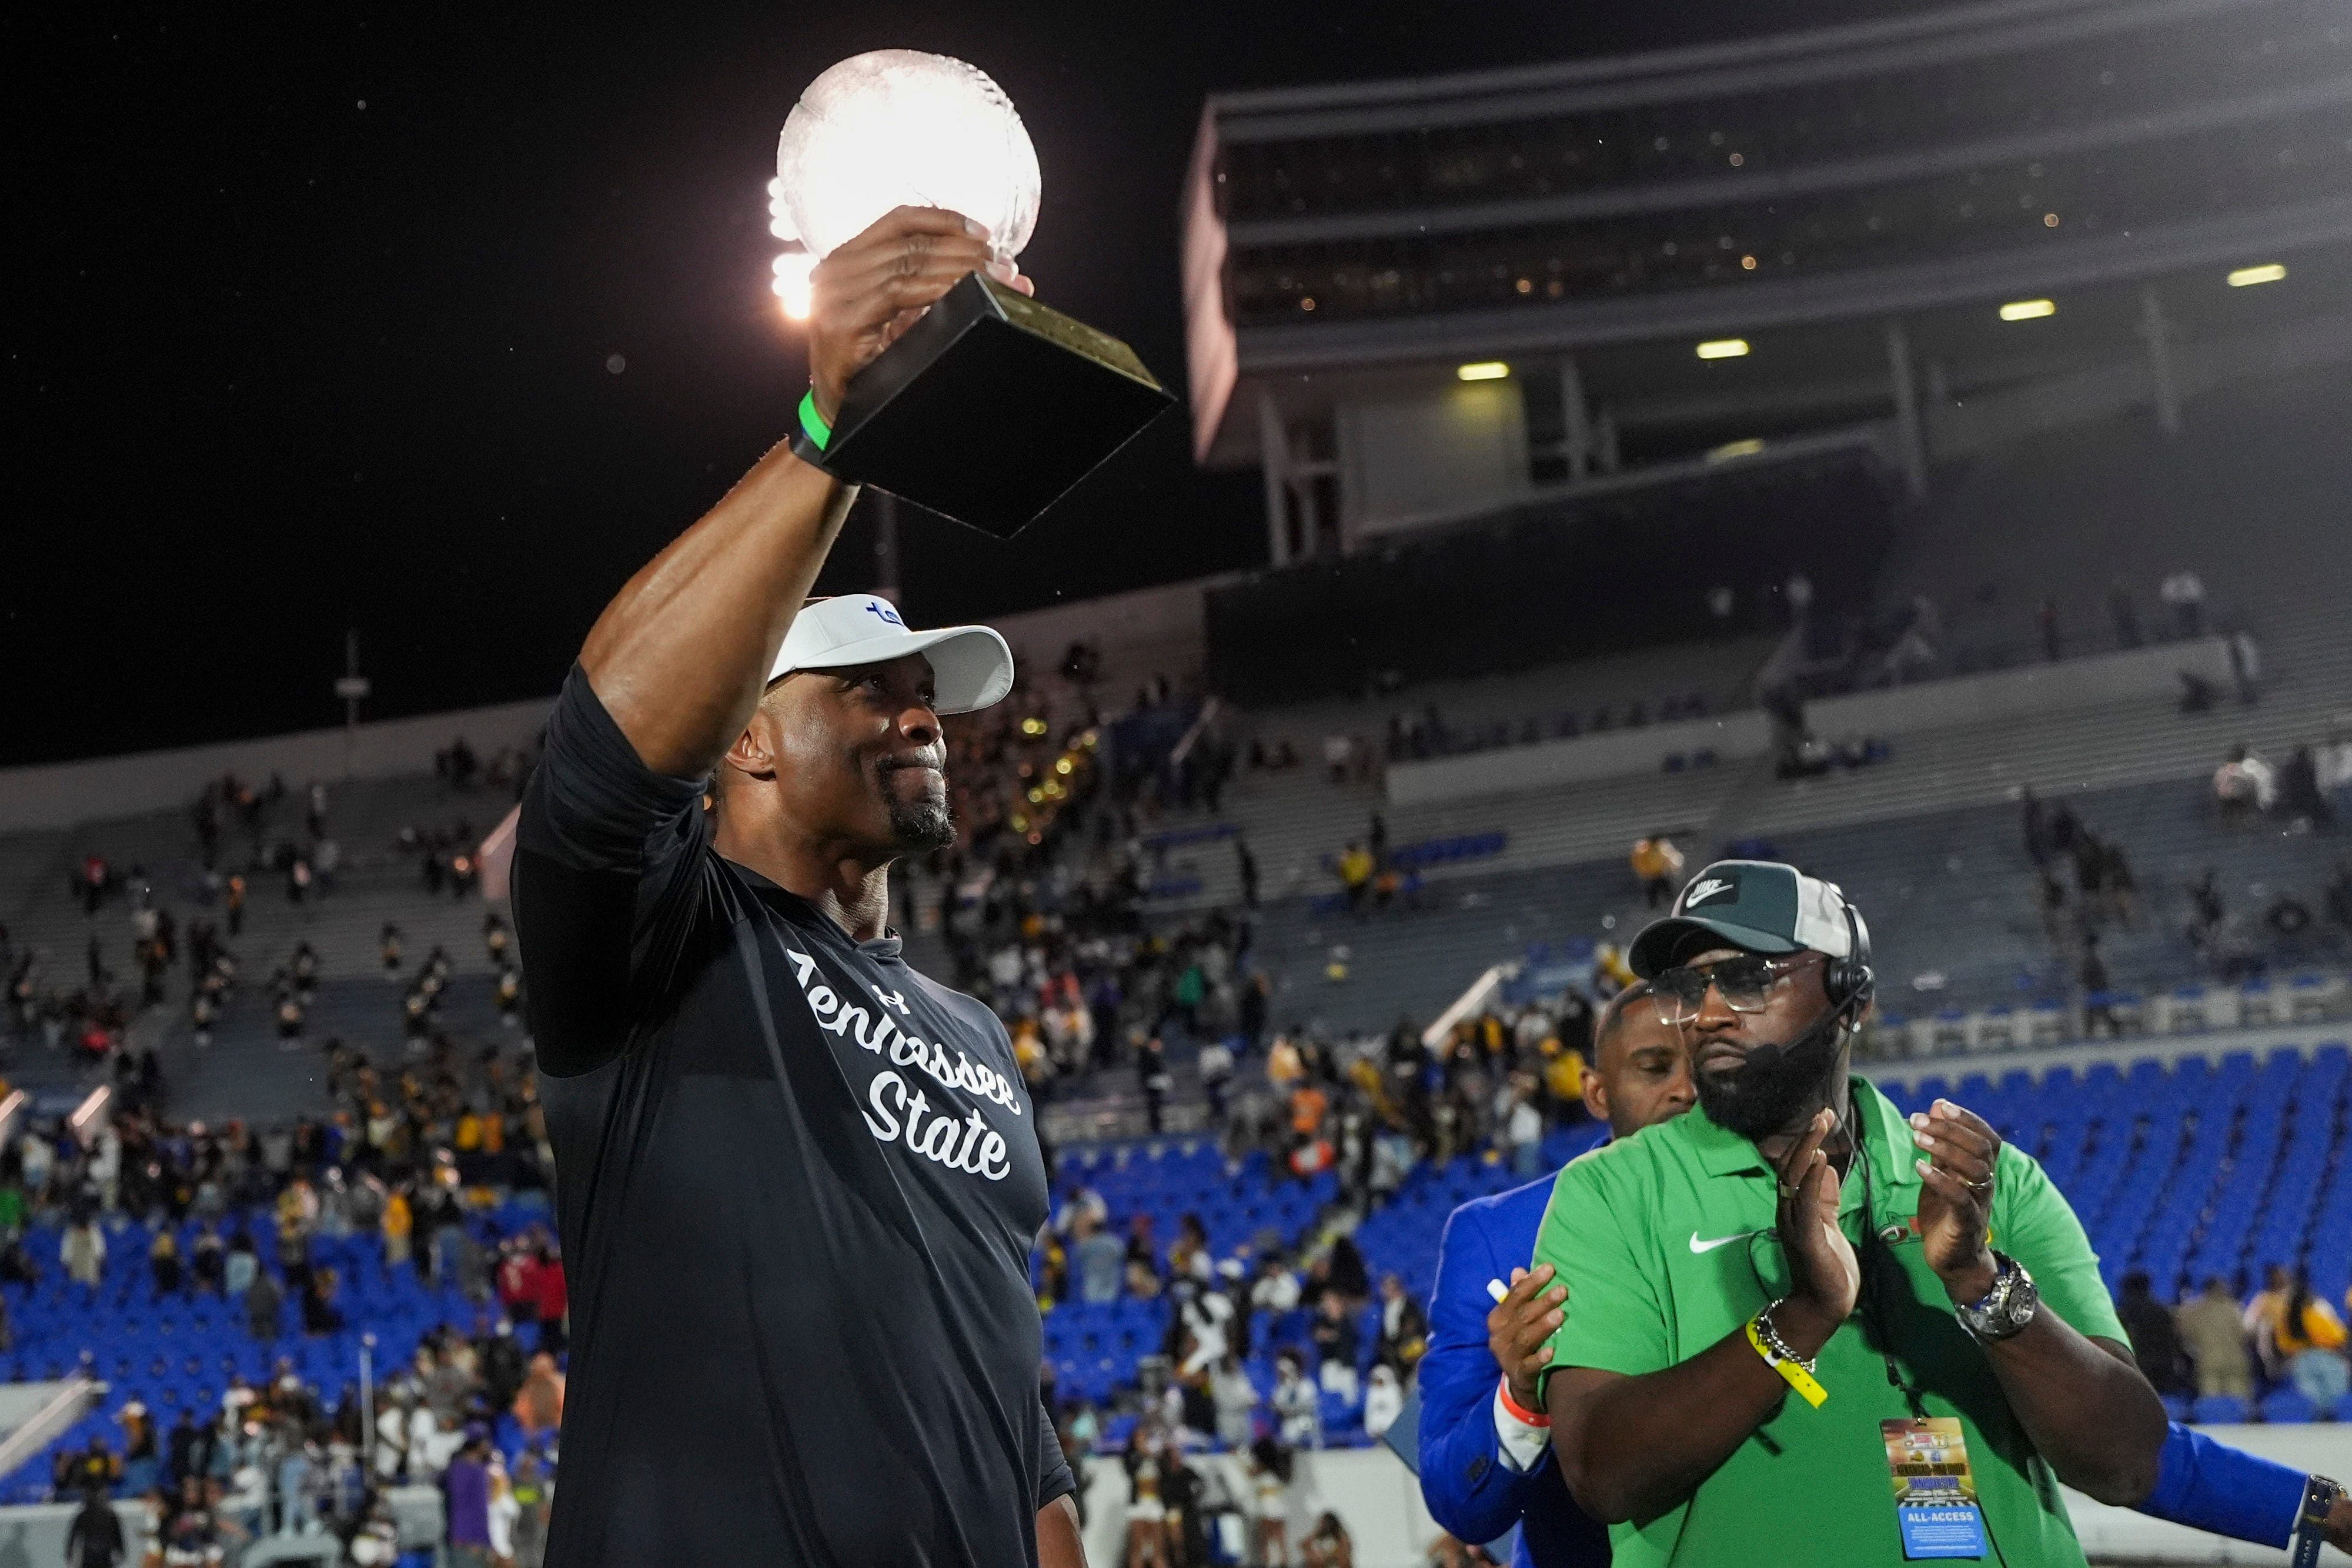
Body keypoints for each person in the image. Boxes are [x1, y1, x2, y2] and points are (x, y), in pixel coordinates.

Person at [506, 205, 1078, 1568]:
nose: (919, 716)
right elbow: (598, 764)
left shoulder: (978, 1043)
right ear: (746, 738)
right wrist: (832, 434)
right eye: (869, 692)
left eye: (927, 695)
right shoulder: (662, 945)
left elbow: (1017, 1415)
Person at [1539, 861, 2167, 1567]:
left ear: (1850, 995)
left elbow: (2128, 1462)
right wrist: (1802, 1316)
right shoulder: (1612, 1191)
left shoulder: (1990, 1180)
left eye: (1747, 978)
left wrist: (1978, 1283)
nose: (1709, 1013)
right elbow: (1602, 1472)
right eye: (1690, 987)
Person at [2274, 1269, 2351, 1407]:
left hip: (2300, 1361)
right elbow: (2339, 1337)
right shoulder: (2316, 1313)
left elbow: (2283, 1345)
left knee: (2311, 1405)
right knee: (2335, 1403)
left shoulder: (2286, 1318)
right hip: (2327, 1359)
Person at [2176, 1278, 2254, 1401]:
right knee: (2238, 1404)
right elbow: (2245, 1335)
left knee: (2211, 1404)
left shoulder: (2193, 1311)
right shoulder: (2234, 1308)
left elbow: (2183, 1333)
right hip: (2235, 1361)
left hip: (2208, 1362)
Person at [2116, 1272, 2193, 1397]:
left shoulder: (2124, 1314)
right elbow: (2176, 1342)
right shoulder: (2163, 1312)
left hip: (2136, 1372)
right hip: (2164, 1373)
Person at [67, 1485, 126, 1568]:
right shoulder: (84, 1516)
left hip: (102, 1557)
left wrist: (69, 1554)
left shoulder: (110, 1516)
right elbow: (118, 1538)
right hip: (92, 1557)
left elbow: (118, 1536)